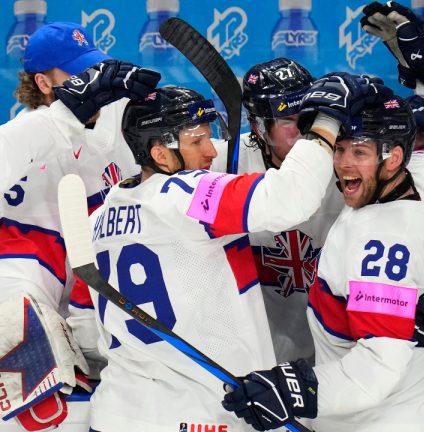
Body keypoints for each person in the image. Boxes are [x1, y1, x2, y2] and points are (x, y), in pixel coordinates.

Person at [64, 79, 394, 432]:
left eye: (209, 136)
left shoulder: (100, 217)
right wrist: (326, 121)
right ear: (160, 153)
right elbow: (289, 198)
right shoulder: (187, 195)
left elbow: (85, 329)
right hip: (200, 417)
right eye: (197, 141)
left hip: (116, 414)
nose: (210, 152)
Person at [220, 6, 424, 430]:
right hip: (274, 364)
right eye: (289, 121)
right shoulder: (221, 165)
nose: (313, 138)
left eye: (318, 120)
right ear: (258, 126)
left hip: (349, 376)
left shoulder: (364, 184)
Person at [0, 21, 159, 431]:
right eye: (78, 72)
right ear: (44, 82)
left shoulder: (110, 128)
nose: (92, 80)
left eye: (95, 68)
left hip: (98, 309)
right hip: (31, 303)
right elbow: (48, 131)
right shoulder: (24, 134)